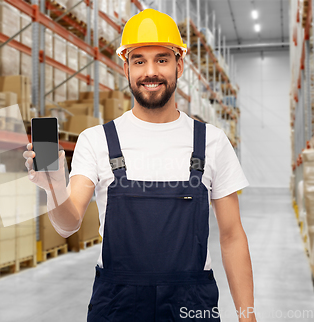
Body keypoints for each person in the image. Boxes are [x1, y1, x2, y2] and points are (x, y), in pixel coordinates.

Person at [23, 8, 256, 322]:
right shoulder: (96, 140)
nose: (151, 72)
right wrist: (51, 186)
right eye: (139, 60)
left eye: (162, 59)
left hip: (191, 304)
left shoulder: (212, 141)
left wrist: (248, 316)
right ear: (126, 68)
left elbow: (232, 236)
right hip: (118, 305)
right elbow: (68, 224)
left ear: (180, 65)